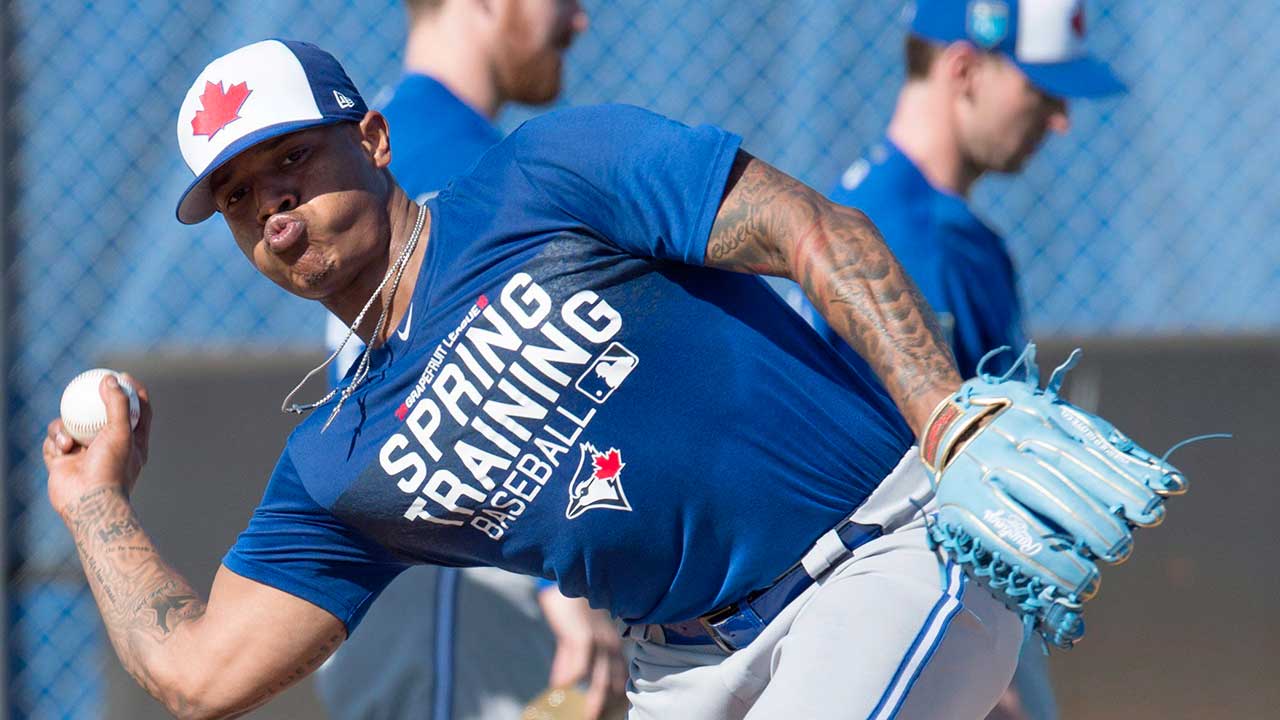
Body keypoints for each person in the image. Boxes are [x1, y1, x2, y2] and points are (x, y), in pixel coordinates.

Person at [46, 38, 1087, 720]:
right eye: (235, 197)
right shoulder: (340, 462)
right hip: (680, 672)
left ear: (371, 139)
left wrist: (944, 417)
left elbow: (812, 229)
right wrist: (95, 504)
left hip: (875, 557)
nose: (271, 207)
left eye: (289, 164)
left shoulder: (544, 177)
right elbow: (198, 673)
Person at [780, 3, 1124, 717]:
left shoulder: (890, 213)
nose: (1059, 119)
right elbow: (894, 477)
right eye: (1041, 90)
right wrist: (966, 657)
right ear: (964, 68)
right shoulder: (908, 237)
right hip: (923, 612)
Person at [312, 3, 616, 719]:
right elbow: (421, 393)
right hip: (446, 605)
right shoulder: (447, 155)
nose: (579, 21)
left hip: (434, 592)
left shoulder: (407, 140)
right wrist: (558, 583)